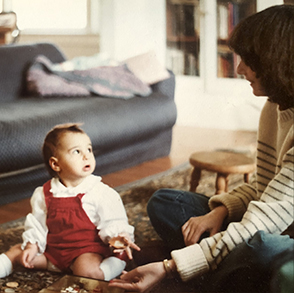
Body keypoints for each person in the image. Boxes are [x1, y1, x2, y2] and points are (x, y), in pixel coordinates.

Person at [109, 4, 294, 292]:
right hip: (267, 221)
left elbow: (265, 221)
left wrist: (171, 266)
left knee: (260, 246)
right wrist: (220, 211)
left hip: (283, 237)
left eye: (248, 60)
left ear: (275, 60)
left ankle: (197, 271)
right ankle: (221, 272)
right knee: (166, 203)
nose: (239, 69)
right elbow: (262, 188)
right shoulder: (273, 108)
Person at [0, 123, 140, 285]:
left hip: (86, 251)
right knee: (18, 254)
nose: (86, 156)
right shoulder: (43, 193)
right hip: (54, 254)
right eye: (77, 151)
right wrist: (32, 246)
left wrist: (118, 238)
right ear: (55, 164)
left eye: (89, 150)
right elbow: (38, 224)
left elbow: (113, 220)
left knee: (86, 273)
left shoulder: (100, 192)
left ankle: (117, 262)